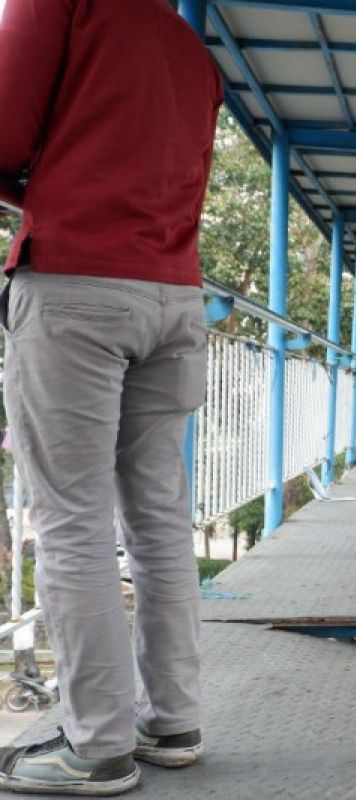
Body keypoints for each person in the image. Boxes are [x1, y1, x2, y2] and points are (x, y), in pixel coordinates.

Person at [0, 0, 222, 794]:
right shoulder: (192, 49)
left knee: (71, 519)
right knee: (158, 520)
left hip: (76, 289)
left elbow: (4, 134)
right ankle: (173, 721)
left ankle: (96, 744)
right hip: (174, 296)